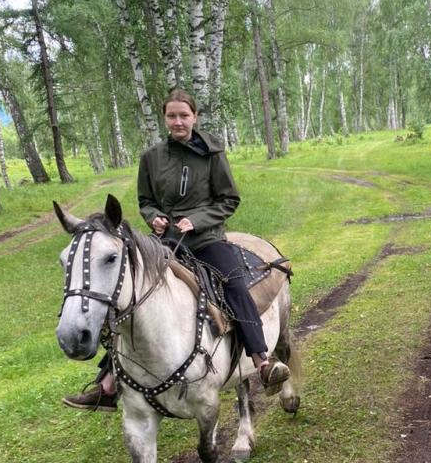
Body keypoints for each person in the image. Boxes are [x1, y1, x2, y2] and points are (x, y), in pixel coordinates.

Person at [63, 89, 289, 411]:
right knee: (128, 295)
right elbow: (145, 201)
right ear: (165, 118)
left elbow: (229, 200)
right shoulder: (151, 158)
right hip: (165, 243)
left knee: (235, 285)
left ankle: (262, 363)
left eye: (184, 115)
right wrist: (154, 217)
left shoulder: (212, 153)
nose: (178, 121)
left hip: (207, 240)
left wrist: (195, 220)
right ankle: (108, 382)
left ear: (194, 117)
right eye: (172, 116)